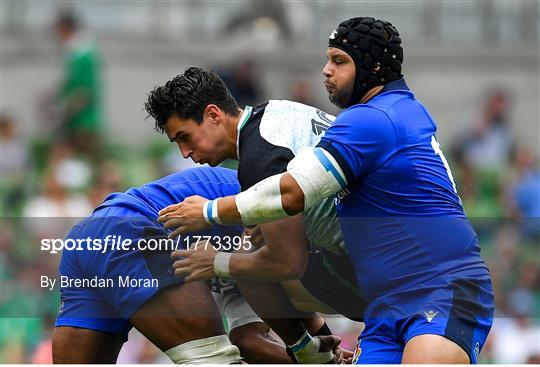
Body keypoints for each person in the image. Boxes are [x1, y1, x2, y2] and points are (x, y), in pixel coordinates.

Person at [158, 17, 495, 364]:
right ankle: (313, 349)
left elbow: (291, 194)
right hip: (386, 303)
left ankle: (309, 351)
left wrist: (209, 216)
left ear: (373, 66)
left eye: (338, 61)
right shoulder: (372, 113)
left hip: (438, 287)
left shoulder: (373, 120)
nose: (325, 71)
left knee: (253, 258)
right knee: (255, 247)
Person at [144, 67, 364, 363]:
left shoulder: (259, 160)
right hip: (396, 247)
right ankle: (320, 349)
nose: (185, 153)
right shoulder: (277, 112)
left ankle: (310, 354)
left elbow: (288, 263)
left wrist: (215, 263)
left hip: (381, 275)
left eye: (185, 137)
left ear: (213, 115)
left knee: (247, 259)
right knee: (256, 242)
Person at [53, 166, 306, 363]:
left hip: (85, 240)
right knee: (212, 360)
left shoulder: (245, 264)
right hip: (126, 230)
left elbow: (250, 340)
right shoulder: (267, 209)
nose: (186, 152)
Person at [53, 11, 102, 153]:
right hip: (76, 121)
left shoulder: (83, 56)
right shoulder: (73, 55)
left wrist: (64, 114)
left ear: (65, 28)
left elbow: (84, 93)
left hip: (83, 123)